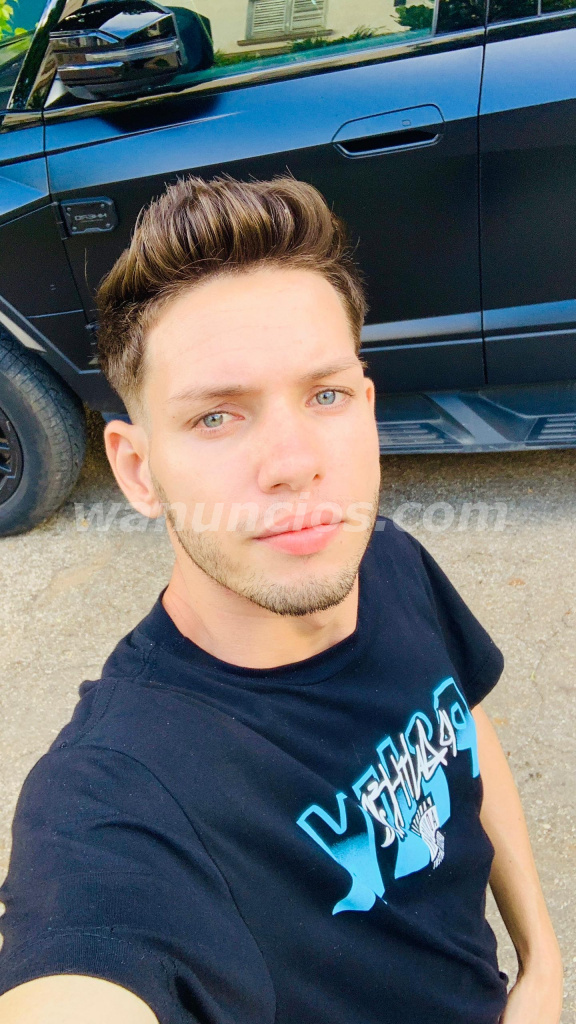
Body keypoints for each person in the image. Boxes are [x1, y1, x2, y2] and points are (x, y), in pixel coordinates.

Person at [0, 176, 563, 1024]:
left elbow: (462, 728)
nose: (294, 463)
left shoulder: (387, 558)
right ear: (137, 470)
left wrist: (541, 959)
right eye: (216, 417)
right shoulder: (116, 798)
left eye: (324, 395)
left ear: (367, 408)